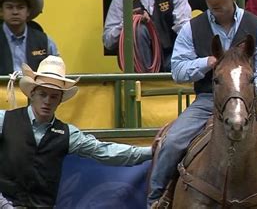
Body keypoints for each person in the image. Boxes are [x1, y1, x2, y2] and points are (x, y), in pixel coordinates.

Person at [147, 0, 257, 209]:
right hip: (207, 99)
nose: (214, 1)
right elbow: (177, 70)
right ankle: (156, 200)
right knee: (172, 143)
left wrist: (244, 98)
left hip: (249, 100)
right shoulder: (191, 29)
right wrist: (205, 63)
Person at [0, 55, 153, 208]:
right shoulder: (4, 120)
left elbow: (106, 152)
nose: (47, 101)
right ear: (32, 94)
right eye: (43, 94)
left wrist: (152, 151)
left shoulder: (67, 134)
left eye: (54, 97)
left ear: (60, 100)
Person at [0, 0, 59, 75]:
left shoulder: (45, 41)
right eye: (9, 7)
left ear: (28, 12)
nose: (15, 12)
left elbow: (56, 74)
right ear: (1, 12)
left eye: (20, 7)